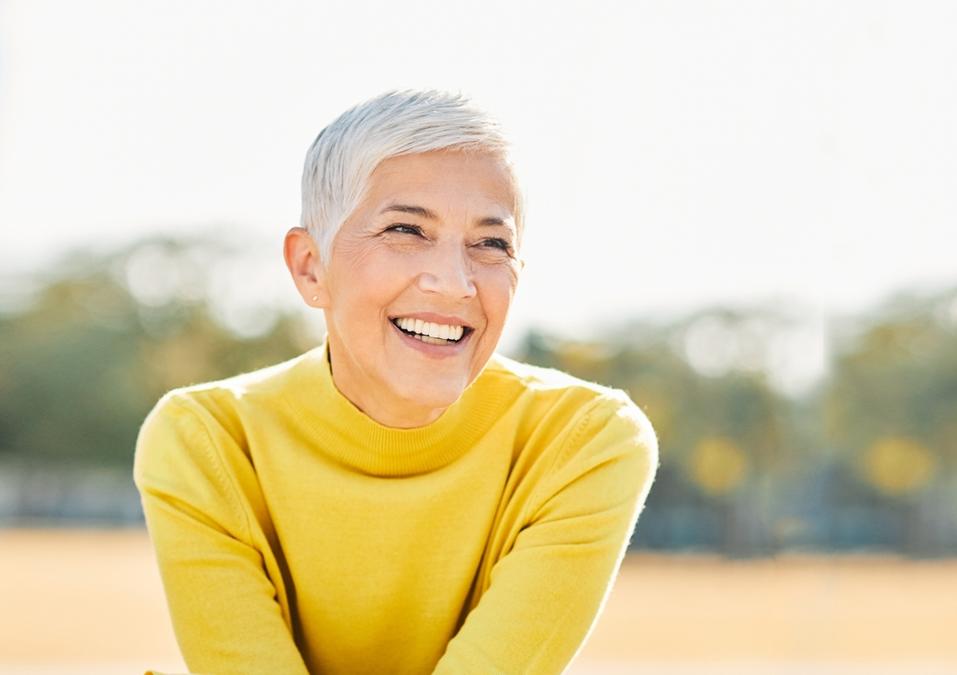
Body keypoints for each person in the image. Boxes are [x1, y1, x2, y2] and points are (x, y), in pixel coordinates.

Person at [133, 89, 659, 675]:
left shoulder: (583, 441)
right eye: (406, 230)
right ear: (311, 267)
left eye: (491, 243)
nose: (455, 282)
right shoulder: (209, 440)